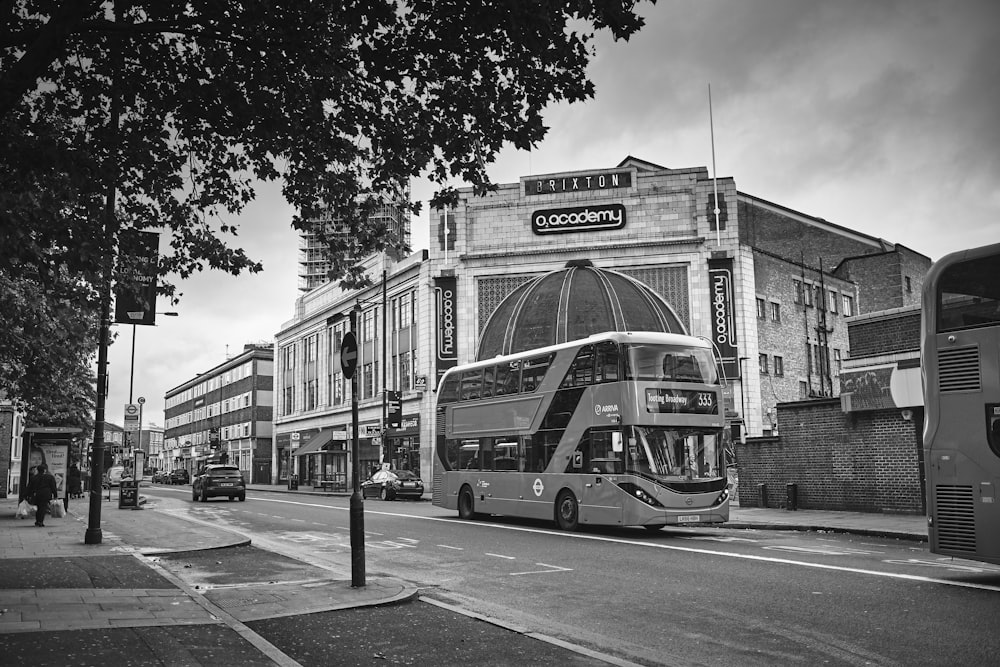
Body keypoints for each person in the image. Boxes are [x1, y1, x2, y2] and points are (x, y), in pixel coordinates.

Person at [25, 463, 58, 527]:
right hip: (46, 494)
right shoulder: (50, 477)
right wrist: (55, 495)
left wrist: (26, 495)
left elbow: (29, 487)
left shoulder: (34, 478)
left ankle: (38, 521)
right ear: (45, 470)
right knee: (43, 508)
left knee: (39, 507)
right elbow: (53, 487)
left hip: (37, 494)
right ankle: (40, 521)